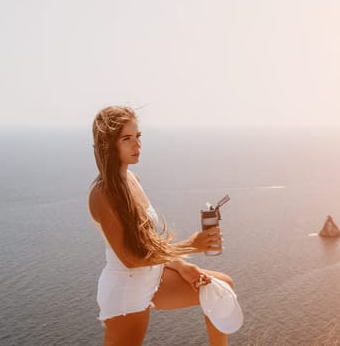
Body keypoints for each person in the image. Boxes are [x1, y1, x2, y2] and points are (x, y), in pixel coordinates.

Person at [89, 106, 235, 346]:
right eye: (127, 139)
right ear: (108, 145)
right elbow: (131, 259)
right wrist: (189, 245)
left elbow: (148, 242)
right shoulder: (103, 194)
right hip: (127, 291)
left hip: (153, 277)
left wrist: (182, 266)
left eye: (138, 137)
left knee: (221, 289)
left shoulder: (132, 179)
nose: (137, 145)